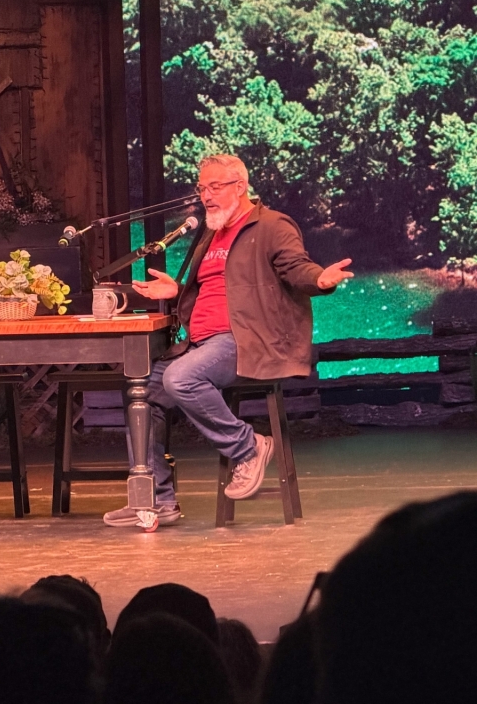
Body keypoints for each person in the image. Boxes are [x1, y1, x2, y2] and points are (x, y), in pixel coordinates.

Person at [105, 154, 352, 528]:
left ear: (241, 186)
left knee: (180, 379)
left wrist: (319, 280)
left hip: (246, 339)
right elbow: (213, 288)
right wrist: (176, 291)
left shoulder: (271, 225)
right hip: (203, 343)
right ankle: (156, 500)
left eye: (215, 187)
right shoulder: (212, 233)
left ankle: (248, 448)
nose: (206, 195)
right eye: (202, 188)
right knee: (143, 392)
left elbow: (295, 266)